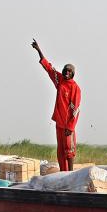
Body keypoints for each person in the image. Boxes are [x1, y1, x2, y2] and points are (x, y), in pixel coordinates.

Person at [31, 39, 81, 172]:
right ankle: (63, 173)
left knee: (69, 150)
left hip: (68, 126)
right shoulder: (60, 81)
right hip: (59, 123)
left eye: (69, 71)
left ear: (73, 74)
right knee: (60, 151)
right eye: (65, 70)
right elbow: (48, 68)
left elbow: (76, 109)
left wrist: (71, 127)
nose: (66, 72)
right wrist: (38, 50)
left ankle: (70, 173)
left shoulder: (75, 88)